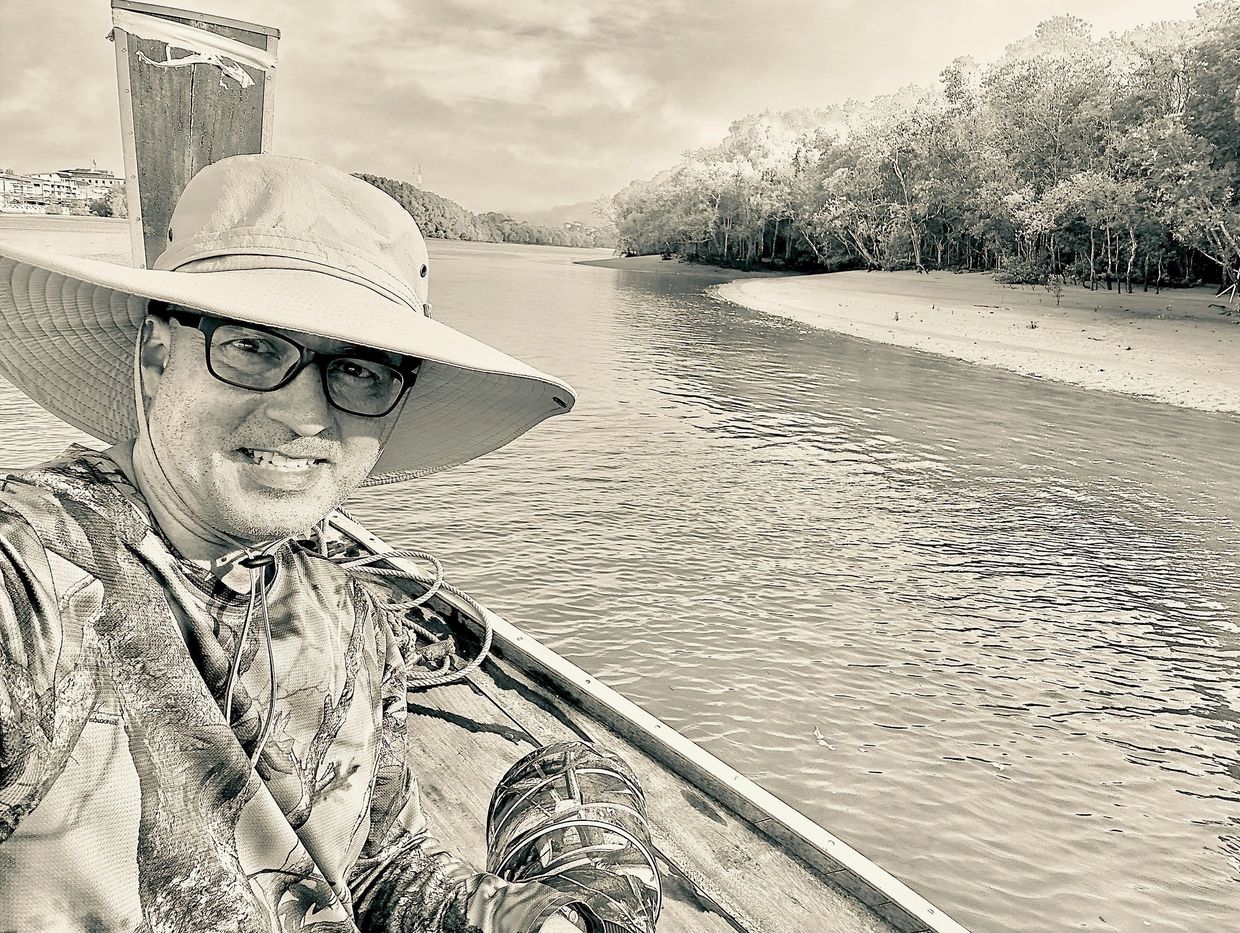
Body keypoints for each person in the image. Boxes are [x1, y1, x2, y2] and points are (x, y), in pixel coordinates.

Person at [0, 155, 594, 932]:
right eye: (254, 348)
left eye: (360, 370)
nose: (307, 415)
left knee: (590, 798)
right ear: (156, 355)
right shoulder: (33, 573)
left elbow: (375, 866)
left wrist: (540, 922)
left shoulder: (352, 613)